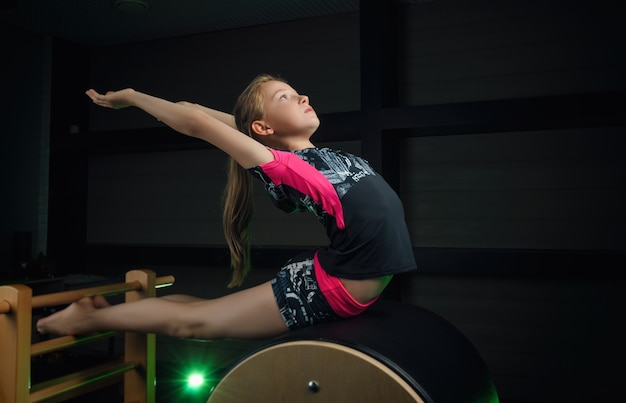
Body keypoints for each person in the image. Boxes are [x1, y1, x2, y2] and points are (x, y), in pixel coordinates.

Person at [36, 74, 417, 340]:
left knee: (203, 315)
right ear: (264, 129)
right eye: (285, 96)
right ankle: (91, 318)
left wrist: (204, 111)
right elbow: (195, 121)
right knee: (195, 324)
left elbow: (210, 115)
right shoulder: (284, 167)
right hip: (333, 289)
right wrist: (132, 96)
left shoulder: (324, 157)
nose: (303, 97)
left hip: (341, 275)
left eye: (298, 92)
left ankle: (111, 312)